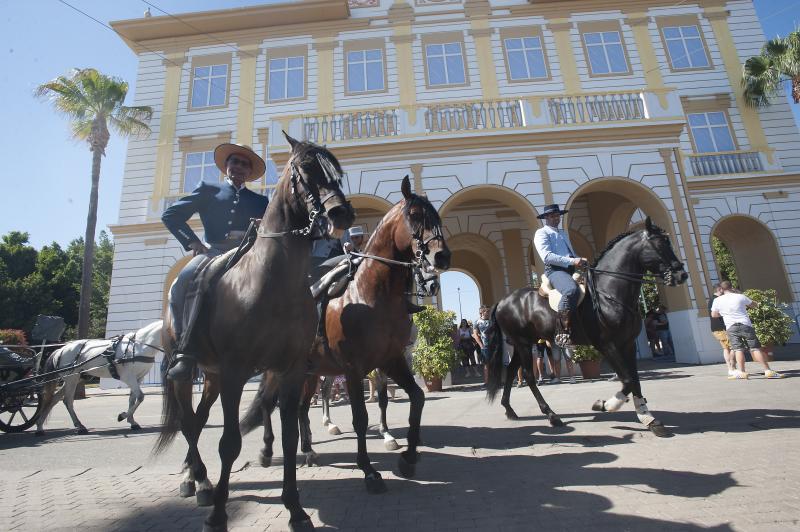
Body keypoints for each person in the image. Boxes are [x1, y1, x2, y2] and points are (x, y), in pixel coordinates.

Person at [162, 143, 268, 381]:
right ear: (226, 166)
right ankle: (184, 350)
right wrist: (193, 243)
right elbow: (171, 216)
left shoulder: (261, 201)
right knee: (183, 282)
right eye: (235, 162)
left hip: (248, 254)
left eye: (245, 164)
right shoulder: (208, 190)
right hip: (214, 251)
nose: (239, 167)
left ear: (250, 172)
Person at [533, 204, 588, 347]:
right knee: (570, 290)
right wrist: (572, 260)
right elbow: (547, 256)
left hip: (571, 269)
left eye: (557, 215)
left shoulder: (563, 232)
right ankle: (562, 331)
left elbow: (570, 253)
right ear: (545, 218)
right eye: (552, 215)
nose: (555, 218)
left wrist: (579, 260)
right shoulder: (541, 233)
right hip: (555, 271)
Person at [710, 281, 784, 379]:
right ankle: (767, 370)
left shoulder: (717, 300)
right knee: (755, 348)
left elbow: (714, 315)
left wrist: (724, 314)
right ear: (731, 287)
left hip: (731, 326)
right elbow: (754, 305)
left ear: (722, 289)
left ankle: (742, 372)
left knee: (738, 349)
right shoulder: (740, 296)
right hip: (745, 324)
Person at [709, 283, 736, 377]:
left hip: (717, 328)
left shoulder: (712, 299)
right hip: (721, 328)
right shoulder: (716, 299)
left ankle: (731, 368)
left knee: (727, 348)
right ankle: (732, 367)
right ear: (720, 289)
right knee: (733, 347)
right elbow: (715, 314)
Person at [472, 305, 492, 384]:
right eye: (486, 311)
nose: (488, 313)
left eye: (488, 311)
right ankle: (487, 382)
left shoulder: (492, 320)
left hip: (494, 345)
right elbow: (475, 335)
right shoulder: (477, 322)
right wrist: (481, 345)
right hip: (485, 346)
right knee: (486, 364)